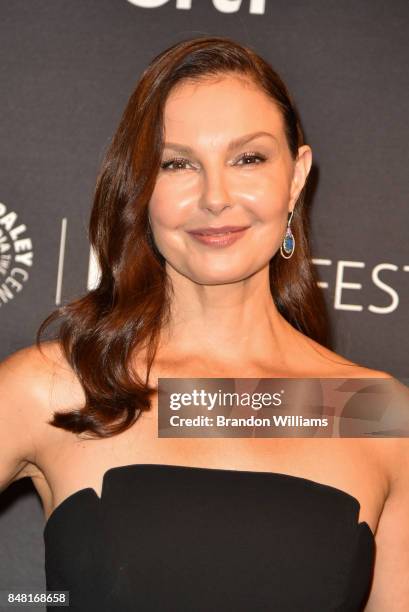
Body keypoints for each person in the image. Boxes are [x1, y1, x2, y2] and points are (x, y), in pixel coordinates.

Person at [0, 35, 408, 611]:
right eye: (177, 163)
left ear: (296, 178)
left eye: (248, 158)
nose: (215, 197)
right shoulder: (60, 387)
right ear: (141, 186)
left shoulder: (376, 413)